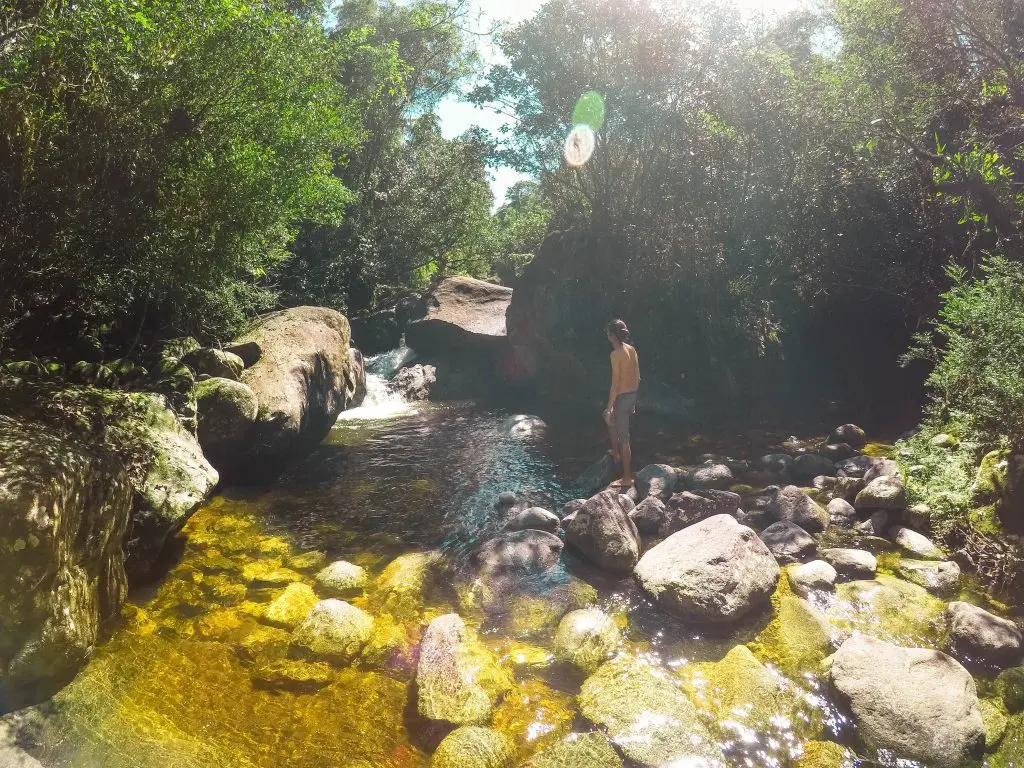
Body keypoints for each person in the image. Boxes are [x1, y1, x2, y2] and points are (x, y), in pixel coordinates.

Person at [604, 319, 640, 488]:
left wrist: (610, 406)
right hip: (631, 394)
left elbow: (615, 384)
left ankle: (626, 477)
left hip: (621, 396)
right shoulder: (631, 350)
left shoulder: (615, 354)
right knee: (611, 422)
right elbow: (637, 376)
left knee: (624, 437)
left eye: (607, 333)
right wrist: (633, 400)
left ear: (611, 335)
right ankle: (616, 453)